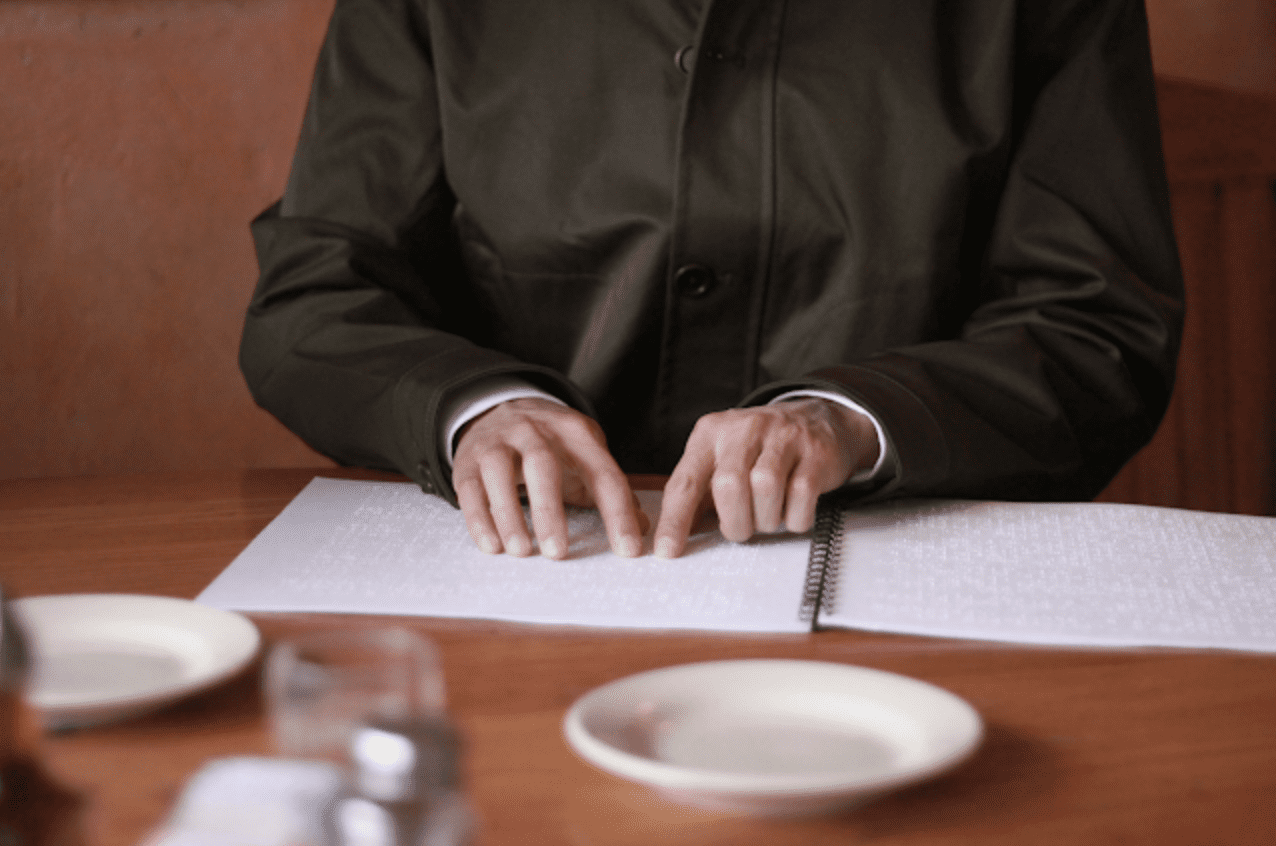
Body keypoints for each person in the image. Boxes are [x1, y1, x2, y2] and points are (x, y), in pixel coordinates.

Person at [242, 0, 1184, 561]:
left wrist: (849, 420)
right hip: (527, 577)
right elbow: (315, 293)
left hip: (903, 574)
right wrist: (477, 408)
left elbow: (1094, 323)